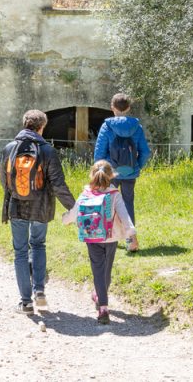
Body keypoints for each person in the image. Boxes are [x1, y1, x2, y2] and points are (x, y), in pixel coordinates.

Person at [0, 109, 76, 314]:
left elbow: (4, 182)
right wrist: (74, 208)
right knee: (38, 245)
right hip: (41, 207)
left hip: (16, 206)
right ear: (42, 127)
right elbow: (59, 184)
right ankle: (39, 292)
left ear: (24, 124)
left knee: (20, 252)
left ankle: (25, 302)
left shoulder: (9, 149)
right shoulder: (48, 151)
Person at [62, 160, 138, 325]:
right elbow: (125, 217)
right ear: (111, 176)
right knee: (106, 270)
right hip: (110, 237)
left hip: (92, 237)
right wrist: (131, 234)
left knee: (98, 269)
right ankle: (100, 296)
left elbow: (73, 213)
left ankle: (102, 306)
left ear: (92, 175)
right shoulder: (114, 195)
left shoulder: (86, 194)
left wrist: (65, 219)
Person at [93, 93, 151, 243]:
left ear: (112, 107)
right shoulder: (137, 127)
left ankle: (107, 236)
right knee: (128, 203)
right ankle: (131, 239)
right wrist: (136, 166)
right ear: (129, 107)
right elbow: (145, 152)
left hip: (110, 172)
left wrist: (102, 171)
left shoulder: (107, 126)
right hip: (130, 172)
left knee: (107, 202)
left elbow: (99, 153)